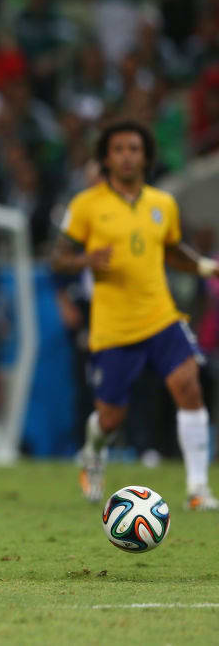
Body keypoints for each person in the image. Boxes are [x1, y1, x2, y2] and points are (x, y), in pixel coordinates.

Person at [51, 120, 218, 510]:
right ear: (106, 158)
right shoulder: (86, 206)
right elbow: (57, 256)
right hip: (114, 327)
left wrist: (205, 267)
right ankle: (93, 452)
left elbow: (172, 250)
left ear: (146, 156)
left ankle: (197, 489)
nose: (127, 156)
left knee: (189, 386)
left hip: (161, 316)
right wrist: (85, 259)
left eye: (134, 149)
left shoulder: (163, 204)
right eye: (119, 149)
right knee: (111, 418)